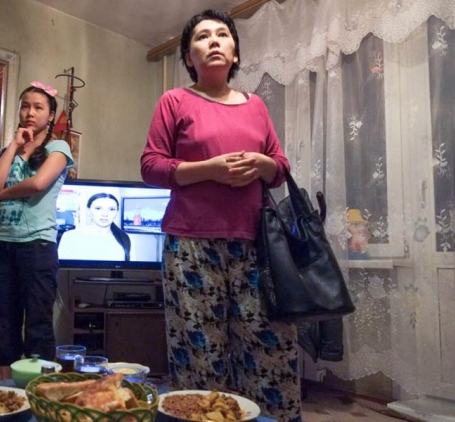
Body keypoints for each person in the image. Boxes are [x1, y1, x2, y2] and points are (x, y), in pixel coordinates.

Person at [140, 9, 300, 421]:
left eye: (222, 34)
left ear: (235, 53)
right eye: (202, 36)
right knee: (200, 355)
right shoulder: (174, 101)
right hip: (191, 246)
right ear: (188, 57)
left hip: (257, 246)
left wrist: (264, 165)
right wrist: (207, 170)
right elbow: (151, 167)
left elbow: (280, 167)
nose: (213, 40)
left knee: (271, 350)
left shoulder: (256, 105)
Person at [0, 82, 74, 379]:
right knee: (3, 318)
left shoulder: (58, 148)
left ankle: (38, 386)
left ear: (51, 115)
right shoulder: (6, 151)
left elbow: (37, 184)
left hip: (37, 243)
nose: (30, 113)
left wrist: (2, 193)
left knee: (38, 319)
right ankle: (7, 387)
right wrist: (13, 146)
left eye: (38, 107)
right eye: (25, 106)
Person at [58, 193, 131, 261]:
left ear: (117, 212)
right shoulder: (70, 236)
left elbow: (131, 268)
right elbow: (62, 268)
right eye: (98, 208)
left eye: (111, 209)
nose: (105, 214)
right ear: (88, 211)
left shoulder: (125, 238)